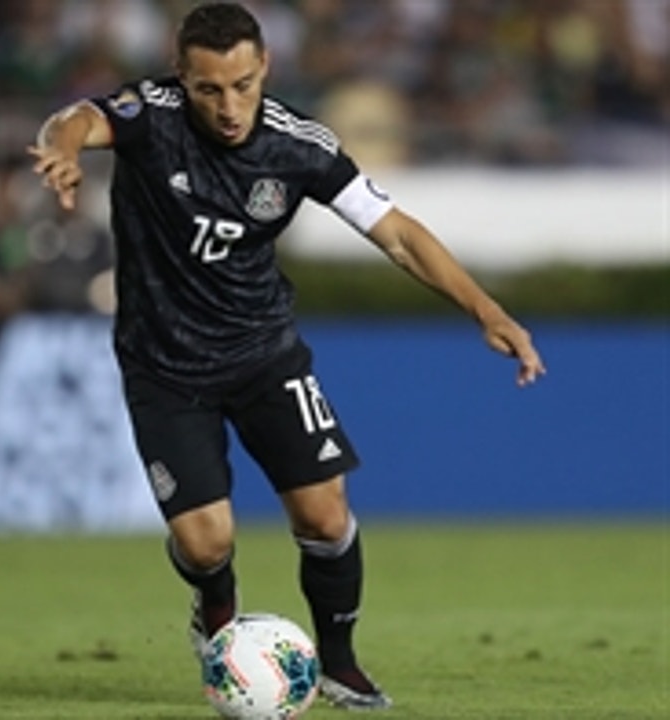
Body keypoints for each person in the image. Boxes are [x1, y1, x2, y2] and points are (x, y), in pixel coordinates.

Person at [27, 2, 545, 711]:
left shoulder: (300, 145)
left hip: (263, 353)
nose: (230, 106)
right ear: (182, 77)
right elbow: (78, 118)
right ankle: (215, 600)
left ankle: (339, 663)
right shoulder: (151, 114)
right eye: (210, 89)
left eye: (243, 84)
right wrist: (62, 147)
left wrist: (486, 311)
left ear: (264, 66)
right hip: (164, 366)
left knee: (326, 516)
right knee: (207, 543)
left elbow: (396, 234)